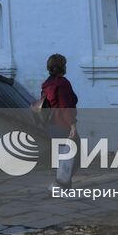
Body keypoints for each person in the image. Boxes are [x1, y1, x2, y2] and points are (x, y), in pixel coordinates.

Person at [38, 53, 79, 188]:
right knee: (73, 158)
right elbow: (65, 107)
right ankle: (60, 186)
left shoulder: (46, 84)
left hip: (52, 126)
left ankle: (60, 185)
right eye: (65, 64)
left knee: (63, 157)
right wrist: (72, 126)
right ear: (62, 67)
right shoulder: (62, 84)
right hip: (63, 125)